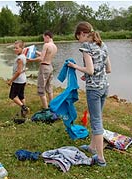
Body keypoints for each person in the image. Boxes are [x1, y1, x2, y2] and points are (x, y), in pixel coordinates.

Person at [67, 21, 111, 167]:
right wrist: (88, 74)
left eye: (77, 36)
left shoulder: (86, 47)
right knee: (96, 117)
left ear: (82, 34)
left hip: (94, 89)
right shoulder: (101, 44)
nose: (78, 40)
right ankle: (92, 147)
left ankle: (100, 158)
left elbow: (90, 70)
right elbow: (107, 68)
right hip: (105, 86)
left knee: (96, 122)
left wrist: (75, 66)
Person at [27, 31, 57, 109]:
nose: (43, 40)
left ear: (47, 37)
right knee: (49, 87)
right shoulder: (54, 46)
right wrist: (35, 51)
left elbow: (41, 58)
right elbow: (46, 55)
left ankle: (46, 109)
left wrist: (30, 60)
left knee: (41, 88)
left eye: (43, 38)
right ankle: (52, 106)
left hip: (44, 68)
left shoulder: (46, 45)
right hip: (50, 67)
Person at [7, 40, 30, 117]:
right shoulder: (23, 56)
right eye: (14, 48)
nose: (15, 49)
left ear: (22, 48)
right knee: (21, 96)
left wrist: (11, 80)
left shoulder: (20, 58)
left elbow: (18, 72)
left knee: (12, 96)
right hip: (23, 80)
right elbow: (22, 69)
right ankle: (24, 112)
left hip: (18, 81)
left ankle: (24, 108)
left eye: (17, 48)